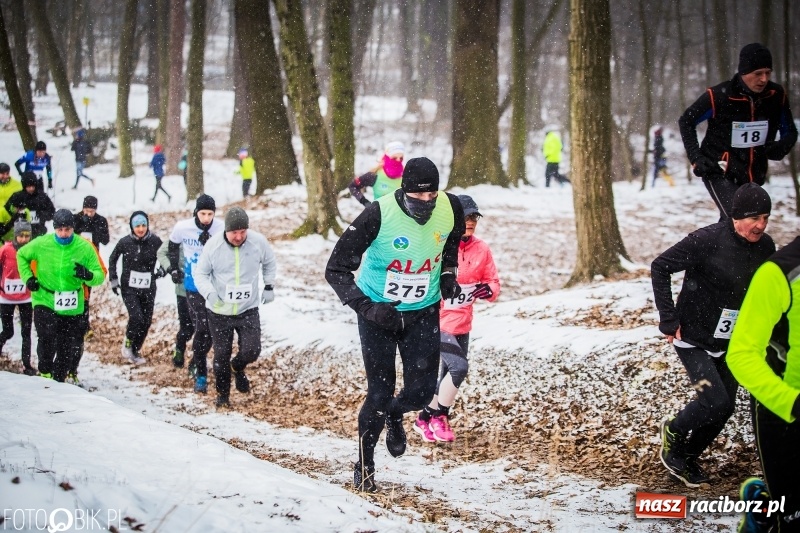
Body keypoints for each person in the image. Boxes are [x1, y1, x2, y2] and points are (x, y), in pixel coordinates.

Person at [326, 157, 465, 493]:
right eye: (418, 198)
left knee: (420, 393)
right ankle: (365, 465)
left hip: (423, 312)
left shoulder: (451, 206)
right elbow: (336, 270)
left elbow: (450, 243)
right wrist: (367, 308)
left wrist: (448, 275)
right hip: (379, 316)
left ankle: (395, 414)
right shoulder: (378, 213)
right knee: (379, 392)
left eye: (432, 196)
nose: (427, 204)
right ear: (404, 192)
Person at [651, 183, 775, 488]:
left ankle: (686, 456)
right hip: (692, 337)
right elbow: (660, 267)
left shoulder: (766, 247)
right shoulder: (706, 240)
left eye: (766, 218)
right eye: (754, 218)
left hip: (730, 339)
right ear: (736, 216)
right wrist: (669, 318)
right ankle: (674, 431)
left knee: (726, 408)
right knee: (714, 401)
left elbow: (769, 289)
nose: (760, 225)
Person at [727, 236, 800, 533]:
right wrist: (792, 403)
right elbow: (741, 353)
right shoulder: (778, 272)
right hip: (784, 409)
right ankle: (766, 516)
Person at [413, 195, 500, 443]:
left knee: (447, 375)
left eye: (474, 217)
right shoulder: (439, 246)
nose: (470, 222)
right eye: (465, 217)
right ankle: (438, 415)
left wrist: (488, 290)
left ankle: (424, 419)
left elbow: (493, 282)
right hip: (438, 321)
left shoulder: (482, 249)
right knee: (459, 368)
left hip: (464, 322)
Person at [679, 43, 797, 220]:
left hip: (754, 173)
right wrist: (696, 158)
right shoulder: (719, 96)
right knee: (738, 220)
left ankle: (711, 246)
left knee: (746, 223)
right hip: (719, 170)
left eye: (768, 72)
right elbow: (686, 121)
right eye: (758, 74)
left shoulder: (775, 95)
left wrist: (782, 147)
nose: (764, 79)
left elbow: (790, 131)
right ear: (743, 73)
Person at [194, 207, 277, 408]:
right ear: (226, 231)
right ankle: (223, 395)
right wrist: (209, 293)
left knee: (252, 350)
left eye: (243, 232)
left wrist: (269, 285)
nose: (239, 236)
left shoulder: (258, 242)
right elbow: (200, 274)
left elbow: (269, 262)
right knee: (221, 355)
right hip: (219, 310)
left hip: (248, 308)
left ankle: (237, 366)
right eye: (234, 232)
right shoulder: (213, 246)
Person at [16, 209, 105, 382]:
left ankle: (58, 381)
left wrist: (88, 275)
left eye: (67, 230)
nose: (63, 234)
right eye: (60, 230)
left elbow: (100, 275)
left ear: (73, 228)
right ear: (54, 228)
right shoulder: (42, 243)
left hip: (71, 303)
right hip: (45, 298)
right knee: (47, 337)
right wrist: (28, 278)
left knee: (66, 347)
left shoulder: (84, 246)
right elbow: (21, 255)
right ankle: (45, 372)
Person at [166, 194, 223, 393]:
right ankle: (201, 373)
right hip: (193, 285)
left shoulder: (221, 228)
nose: (206, 218)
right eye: (202, 213)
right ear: (196, 212)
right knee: (202, 326)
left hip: (215, 285)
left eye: (210, 214)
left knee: (213, 330)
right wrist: (174, 268)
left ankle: (196, 361)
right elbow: (172, 246)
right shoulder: (183, 227)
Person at [109, 211, 165, 365]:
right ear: (131, 227)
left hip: (148, 287)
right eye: (137, 226)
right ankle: (128, 342)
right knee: (136, 317)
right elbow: (113, 258)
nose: (140, 229)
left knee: (146, 321)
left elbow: (166, 256)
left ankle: (135, 349)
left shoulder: (155, 241)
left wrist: (163, 269)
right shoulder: (125, 242)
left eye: (143, 225)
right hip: (129, 287)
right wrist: (113, 279)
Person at [0, 220, 34, 375]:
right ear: (15, 236)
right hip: (6, 297)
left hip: (26, 298)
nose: (24, 239)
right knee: (8, 331)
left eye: (27, 236)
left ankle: (27, 365)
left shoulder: (32, 250)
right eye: (21, 235)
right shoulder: (5, 250)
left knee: (26, 332)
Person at [157, 240, 194, 368]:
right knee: (187, 328)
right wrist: (172, 269)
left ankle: (197, 361)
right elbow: (161, 252)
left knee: (204, 330)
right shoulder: (183, 232)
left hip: (206, 291)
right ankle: (179, 348)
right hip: (183, 290)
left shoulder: (213, 232)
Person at [347, 141, 405, 206]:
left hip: (400, 215)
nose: (398, 160)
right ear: (387, 157)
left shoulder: (406, 175)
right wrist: (364, 201)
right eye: (394, 158)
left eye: (401, 158)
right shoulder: (375, 174)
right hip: (381, 214)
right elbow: (353, 186)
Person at [5, 171, 55, 238]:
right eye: (28, 186)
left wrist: (42, 215)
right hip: (21, 233)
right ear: (24, 186)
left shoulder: (42, 196)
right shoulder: (18, 196)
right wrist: (17, 214)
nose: (31, 189)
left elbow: (52, 212)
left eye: (33, 186)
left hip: (39, 232)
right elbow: (7, 208)